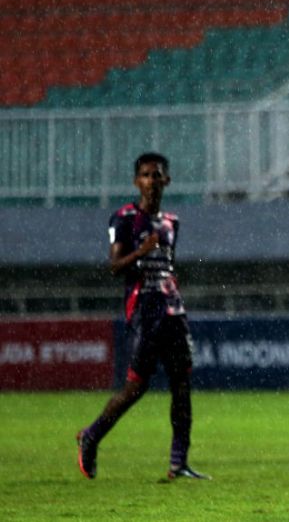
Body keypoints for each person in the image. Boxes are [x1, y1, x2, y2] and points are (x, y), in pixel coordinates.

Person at [76, 152, 208, 480]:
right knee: (135, 388)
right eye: (146, 175)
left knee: (182, 384)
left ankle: (179, 464)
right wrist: (140, 252)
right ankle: (91, 435)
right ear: (137, 181)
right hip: (145, 313)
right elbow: (115, 267)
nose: (151, 181)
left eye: (157, 175)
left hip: (173, 311)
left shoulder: (172, 223)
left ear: (167, 181)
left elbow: (168, 264)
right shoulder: (123, 219)